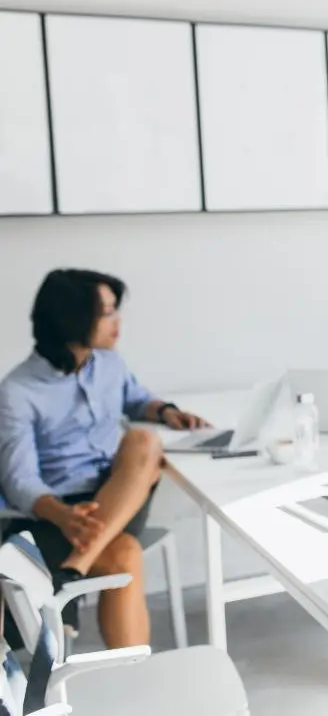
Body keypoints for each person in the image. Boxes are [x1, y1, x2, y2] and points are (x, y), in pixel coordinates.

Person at [0, 269, 210, 649]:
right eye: (107, 313)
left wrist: (164, 411)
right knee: (125, 553)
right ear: (73, 319)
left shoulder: (109, 365)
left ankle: (71, 572)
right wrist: (63, 515)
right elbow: (19, 480)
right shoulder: (17, 391)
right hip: (57, 514)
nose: (118, 322)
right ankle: (135, 687)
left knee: (143, 440)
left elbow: (135, 399)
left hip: (117, 494)